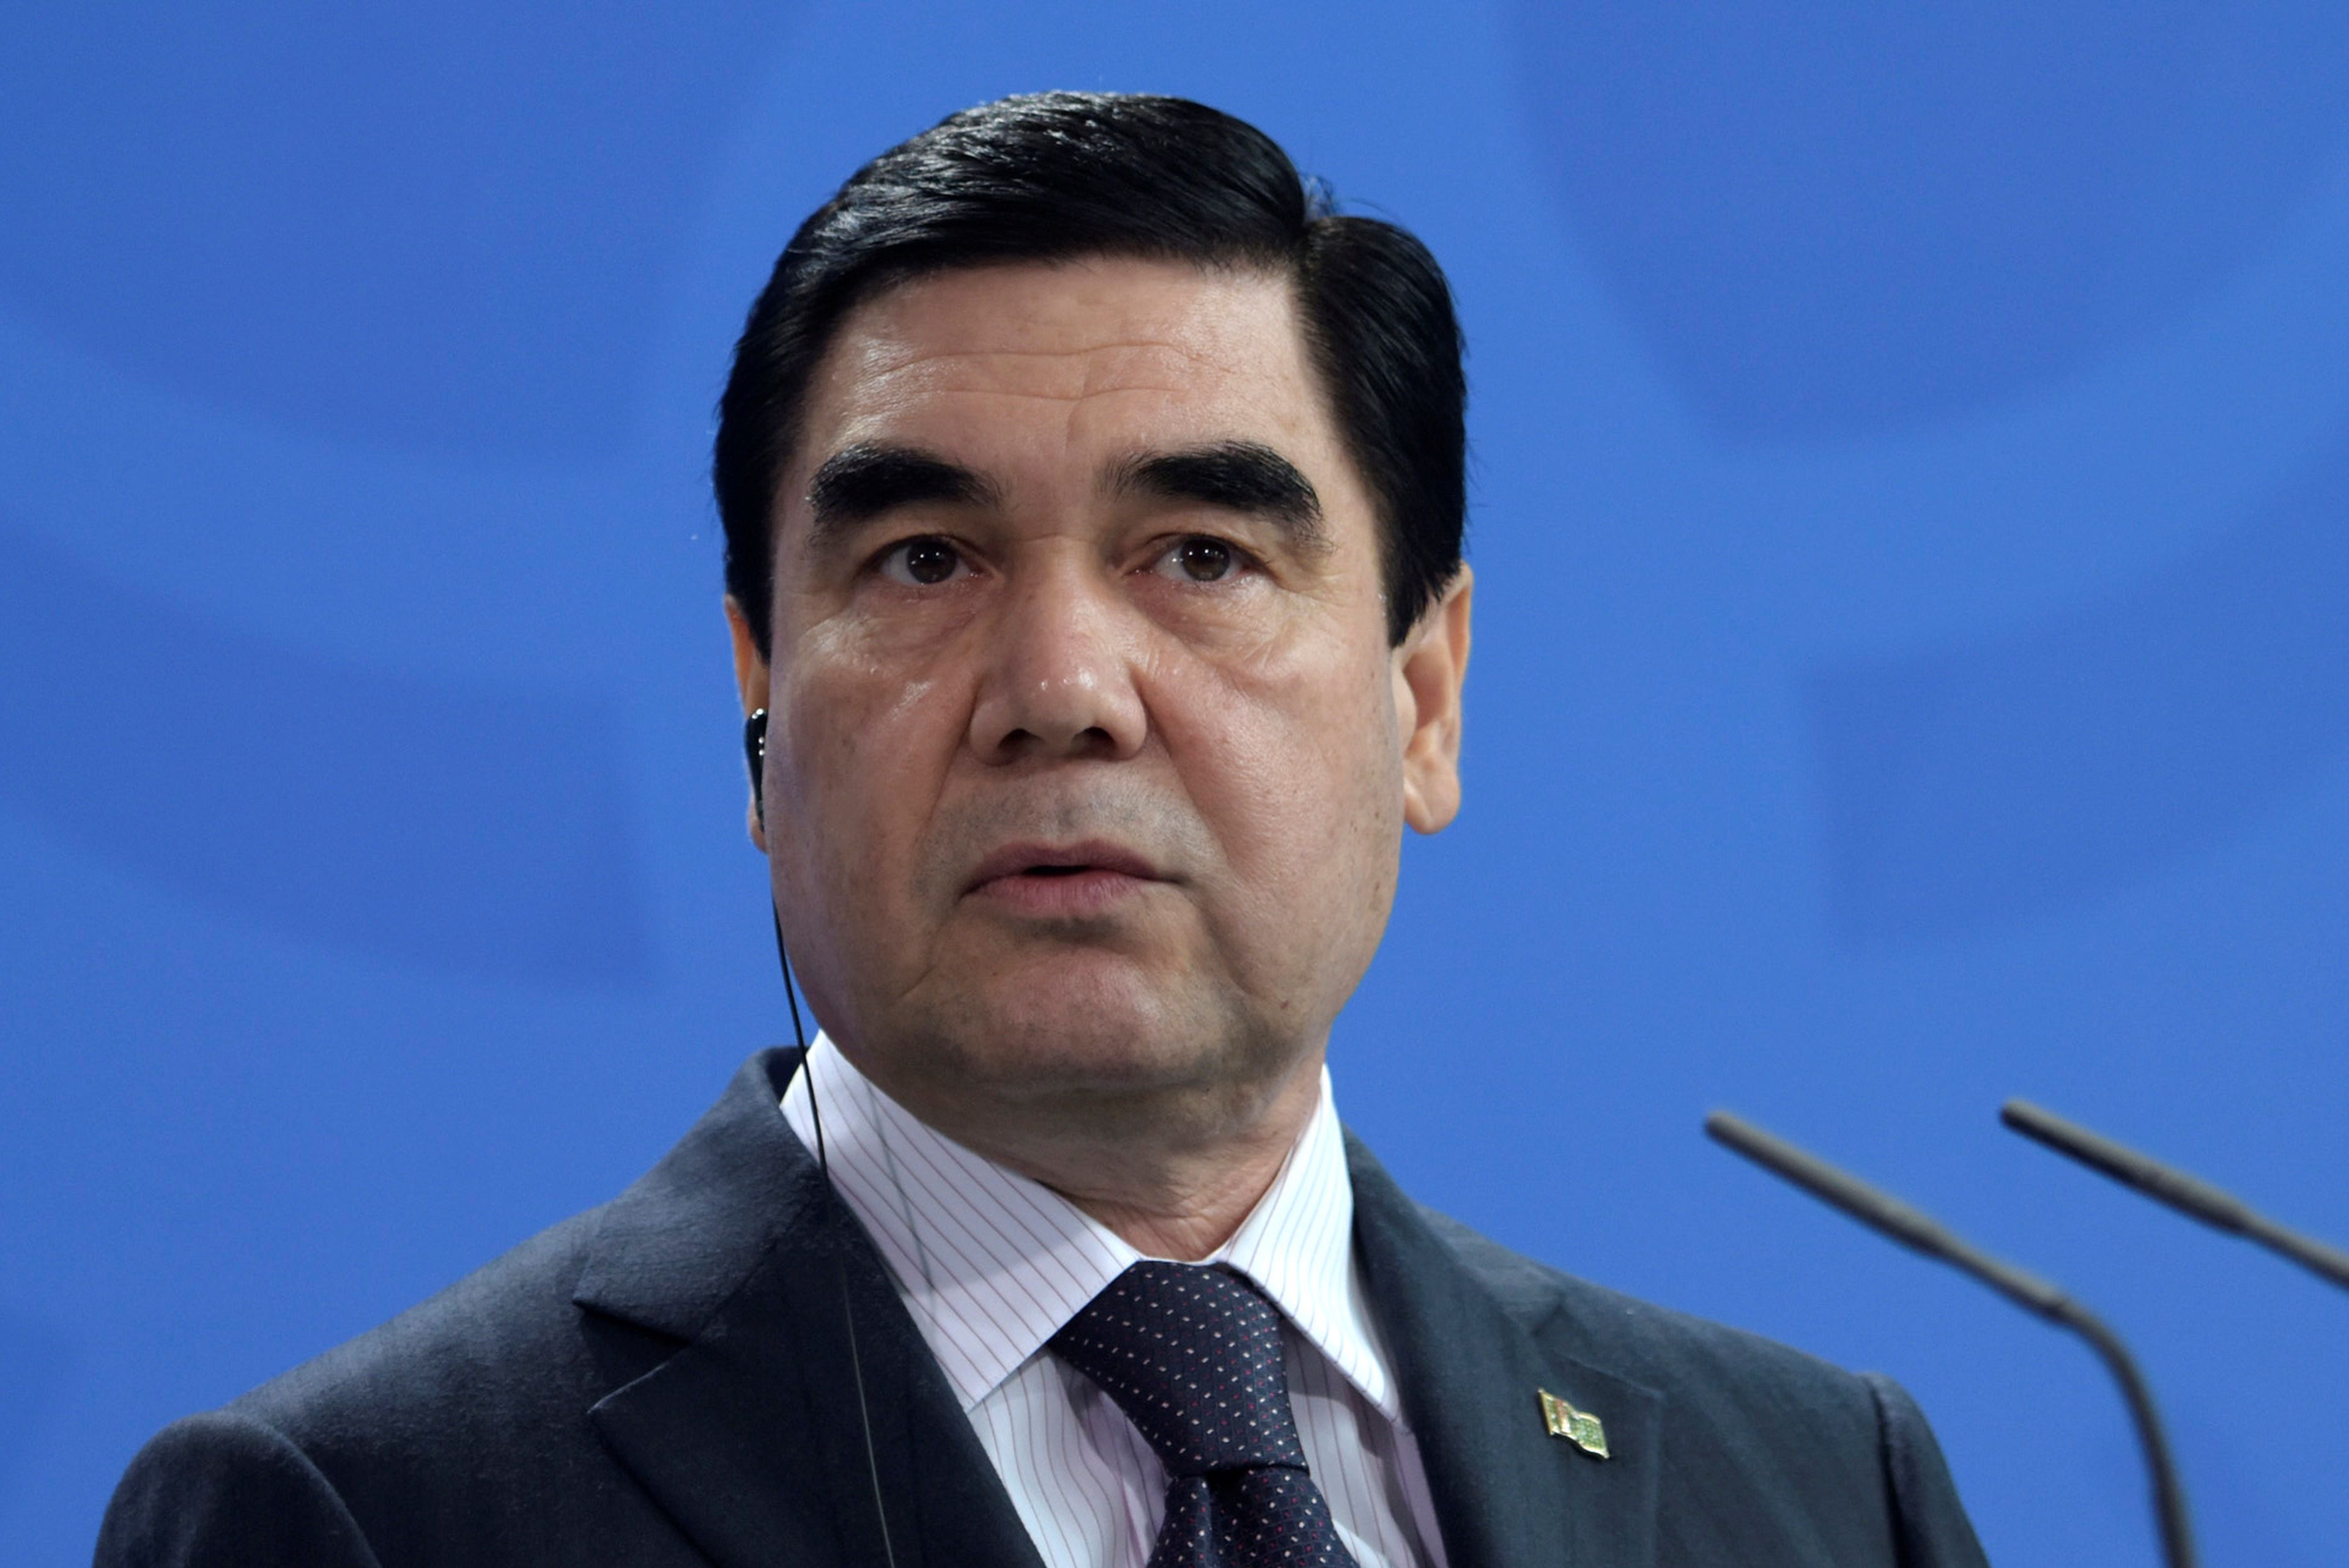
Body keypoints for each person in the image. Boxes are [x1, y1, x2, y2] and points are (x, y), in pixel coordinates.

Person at [96, 92, 1987, 1567]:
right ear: (759, 700)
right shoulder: (363, 1514)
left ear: (1424, 697)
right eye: (926, 559)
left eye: (1202, 556)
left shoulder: (1820, 1489)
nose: (1063, 684)